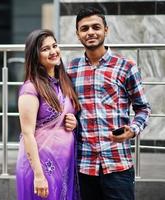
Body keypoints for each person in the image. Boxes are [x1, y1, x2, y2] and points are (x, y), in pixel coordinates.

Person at [66, 7, 151, 200]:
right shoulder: (70, 69)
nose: (90, 32)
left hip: (118, 163)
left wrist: (133, 129)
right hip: (84, 165)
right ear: (77, 34)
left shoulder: (126, 66)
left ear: (106, 30)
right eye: (84, 28)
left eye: (96, 27)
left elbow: (143, 108)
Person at [16, 29, 81, 200]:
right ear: (35, 56)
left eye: (54, 45)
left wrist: (73, 121)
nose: (53, 52)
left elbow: (65, 115)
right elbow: (27, 134)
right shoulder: (31, 88)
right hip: (41, 168)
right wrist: (39, 175)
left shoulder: (64, 82)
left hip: (64, 164)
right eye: (45, 49)